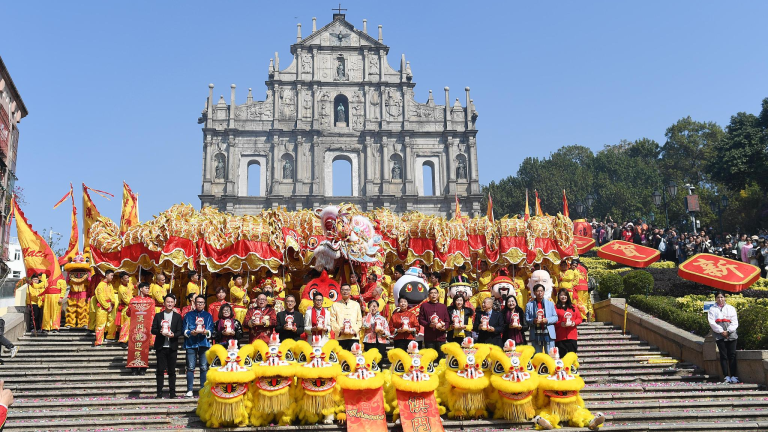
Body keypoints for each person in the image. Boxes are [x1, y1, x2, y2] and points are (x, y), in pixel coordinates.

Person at [151, 294, 183, 399]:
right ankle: (159, 393)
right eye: (167, 302)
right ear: (164, 303)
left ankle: (172, 393)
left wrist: (174, 335)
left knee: (172, 371)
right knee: (160, 370)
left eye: (171, 302)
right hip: (161, 346)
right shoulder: (158, 316)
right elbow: (153, 330)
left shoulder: (178, 316)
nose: (169, 304)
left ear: (174, 303)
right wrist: (160, 332)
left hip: (172, 347)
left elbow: (180, 331)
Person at [183, 295, 213, 398]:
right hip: (191, 343)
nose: (200, 304)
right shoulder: (188, 315)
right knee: (190, 367)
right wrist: (190, 333)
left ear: (204, 304)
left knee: (204, 367)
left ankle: (203, 389)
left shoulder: (208, 316)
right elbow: (184, 330)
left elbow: (211, 330)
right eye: (198, 302)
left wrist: (206, 332)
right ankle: (189, 389)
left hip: (204, 343)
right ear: (194, 303)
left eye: (202, 302)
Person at [708, 292, 740, 384]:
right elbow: (712, 322)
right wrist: (721, 331)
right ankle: (726, 376)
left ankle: (733, 376)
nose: (720, 299)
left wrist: (728, 331)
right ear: (715, 299)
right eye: (718, 297)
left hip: (731, 334)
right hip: (719, 335)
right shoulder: (712, 309)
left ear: (724, 298)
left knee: (732, 355)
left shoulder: (731, 308)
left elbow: (735, 322)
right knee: (723, 355)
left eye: (722, 297)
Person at [126, 282, 155, 375]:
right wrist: (131, 308)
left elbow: (153, 314)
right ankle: (134, 368)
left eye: (148, 288)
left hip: (146, 327)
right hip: (136, 327)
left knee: (144, 347)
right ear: (141, 289)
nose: (148, 290)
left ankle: (143, 367)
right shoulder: (133, 300)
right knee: (135, 346)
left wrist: (151, 326)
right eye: (146, 288)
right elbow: (128, 313)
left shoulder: (151, 301)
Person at [418, 287, 449, 362]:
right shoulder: (424, 306)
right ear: (428, 295)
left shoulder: (443, 307)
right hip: (429, 337)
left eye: (435, 293)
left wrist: (444, 327)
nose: (433, 295)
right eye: (431, 293)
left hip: (441, 336)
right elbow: (420, 319)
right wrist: (429, 324)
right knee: (429, 359)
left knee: (441, 359)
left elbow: (447, 320)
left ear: (438, 295)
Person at [526, 284, 558, 353]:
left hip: (548, 332)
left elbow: (555, 317)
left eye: (541, 291)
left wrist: (547, 320)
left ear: (544, 292)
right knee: (537, 355)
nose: (540, 293)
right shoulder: (529, 305)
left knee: (550, 355)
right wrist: (533, 321)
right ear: (534, 292)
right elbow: (527, 319)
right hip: (536, 332)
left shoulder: (550, 304)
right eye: (537, 291)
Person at [330, 283, 363, 351]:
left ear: (350, 291)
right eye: (343, 290)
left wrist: (355, 330)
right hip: (340, 337)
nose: (345, 291)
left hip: (353, 337)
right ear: (340, 291)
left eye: (347, 290)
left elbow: (359, 320)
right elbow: (332, 320)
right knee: (341, 357)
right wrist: (339, 330)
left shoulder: (356, 305)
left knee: (353, 358)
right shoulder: (335, 305)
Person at [554, 288, 582, 356]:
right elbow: (553, 320)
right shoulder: (555, 308)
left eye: (565, 295)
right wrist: (560, 323)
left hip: (572, 335)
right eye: (561, 295)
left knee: (572, 357)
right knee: (562, 357)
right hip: (560, 336)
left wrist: (574, 323)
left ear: (568, 296)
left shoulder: (573, 307)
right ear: (558, 296)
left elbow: (579, 318)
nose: (563, 297)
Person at [362, 300, 390, 364]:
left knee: (380, 360)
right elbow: (366, 326)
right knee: (370, 360)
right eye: (371, 306)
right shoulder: (365, 317)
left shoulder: (382, 318)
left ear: (377, 308)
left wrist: (383, 332)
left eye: (375, 306)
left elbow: (388, 332)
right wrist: (369, 313)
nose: (373, 308)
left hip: (381, 341)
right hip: (369, 341)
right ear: (368, 307)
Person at [93, 270, 115, 347]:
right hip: (102, 307)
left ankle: (110, 337)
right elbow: (100, 297)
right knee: (100, 324)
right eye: (111, 275)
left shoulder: (110, 285)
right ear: (106, 275)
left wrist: (112, 304)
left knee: (112, 321)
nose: (112, 277)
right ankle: (98, 342)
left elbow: (112, 295)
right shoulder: (100, 285)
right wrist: (107, 306)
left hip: (110, 306)